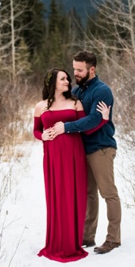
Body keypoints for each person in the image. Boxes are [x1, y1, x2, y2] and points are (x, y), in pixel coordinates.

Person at [33, 68, 110, 263]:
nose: (67, 81)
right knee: (56, 197)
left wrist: (104, 120)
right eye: (63, 79)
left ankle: (72, 242)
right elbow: (36, 130)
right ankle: (57, 242)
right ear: (52, 82)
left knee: (74, 196)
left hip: (74, 155)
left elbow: (86, 129)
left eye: (68, 78)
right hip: (51, 157)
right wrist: (41, 135)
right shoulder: (40, 106)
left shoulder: (75, 103)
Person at [48, 51, 120, 255]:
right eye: (74, 69)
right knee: (89, 194)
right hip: (83, 149)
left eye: (79, 70)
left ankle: (113, 238)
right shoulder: (77, 92)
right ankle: (87, 236)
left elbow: (93, 120)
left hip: (101, 148)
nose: (75, 73)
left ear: (92, 69)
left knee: (108, 193)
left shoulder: (102, 91)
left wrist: (66, 127)